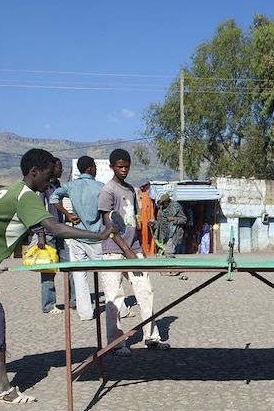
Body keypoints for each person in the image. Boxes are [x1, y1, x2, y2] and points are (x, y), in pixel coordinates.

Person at [0, 148, 126, 405]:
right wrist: (99, 235)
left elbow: (28, 225)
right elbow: (54, 228)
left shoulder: (12, 190)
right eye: (48, 174)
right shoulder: (26, 196)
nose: (51, 180)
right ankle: (2, 387)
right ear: (34, 172)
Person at [99, 148, 170, 356]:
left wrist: (139, 249)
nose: (124, 170)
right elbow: (109, 225)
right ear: (112, 167)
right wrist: (127, 250)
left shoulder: (131, 190)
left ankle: (151, 336)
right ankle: (116, 343)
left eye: (127, 166)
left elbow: (135, 223)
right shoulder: (107, 191)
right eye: (120, 166)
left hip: (134, 249)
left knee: (145, 292)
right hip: (113, 251)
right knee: (114, 298)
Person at [50, 155, 105, 321]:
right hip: (96, 237)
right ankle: (116, 308)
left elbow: (54, 198)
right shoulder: (101, 187)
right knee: (106, 275)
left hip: (76, 236)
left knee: (79, 276)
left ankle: (86, 313)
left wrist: (68, 214)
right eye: (94, 166)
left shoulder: (70, 186)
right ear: (89, 168)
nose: (96, 169)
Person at [32, 157, 75, 314]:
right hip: (48, 233)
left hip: (60, 231)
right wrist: (40, 234)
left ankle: (73, 300)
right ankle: (49, 305)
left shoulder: (58, 185)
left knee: (70, 265)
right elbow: (38, 210)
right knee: (48, 270)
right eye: (59, 167)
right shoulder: (43, 186)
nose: (62, 170)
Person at [153, 192, 186, 256]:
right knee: (162, 253)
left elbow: (184, 220)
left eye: (164, 204)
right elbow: (159, 223)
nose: (163, 206)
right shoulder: (161, 209)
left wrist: (173, 219)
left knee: (168, 252)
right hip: (163, 236)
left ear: (167, 202)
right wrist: (153, 223)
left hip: (173, 234)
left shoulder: (176, 207)